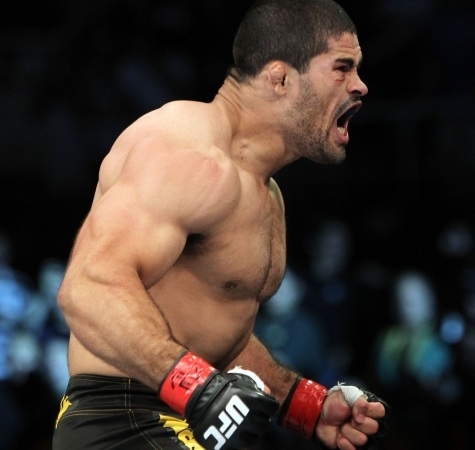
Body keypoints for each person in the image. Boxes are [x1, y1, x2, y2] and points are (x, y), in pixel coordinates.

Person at [52, 1, 389, 449]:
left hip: (177, 417)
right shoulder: (186, 151)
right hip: (121, 420)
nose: (360, 85)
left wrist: (304, 404)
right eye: (342, 68)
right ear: (280, 78)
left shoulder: (265, 194)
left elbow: (210, 334)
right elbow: (89, 287)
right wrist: (196, 386)